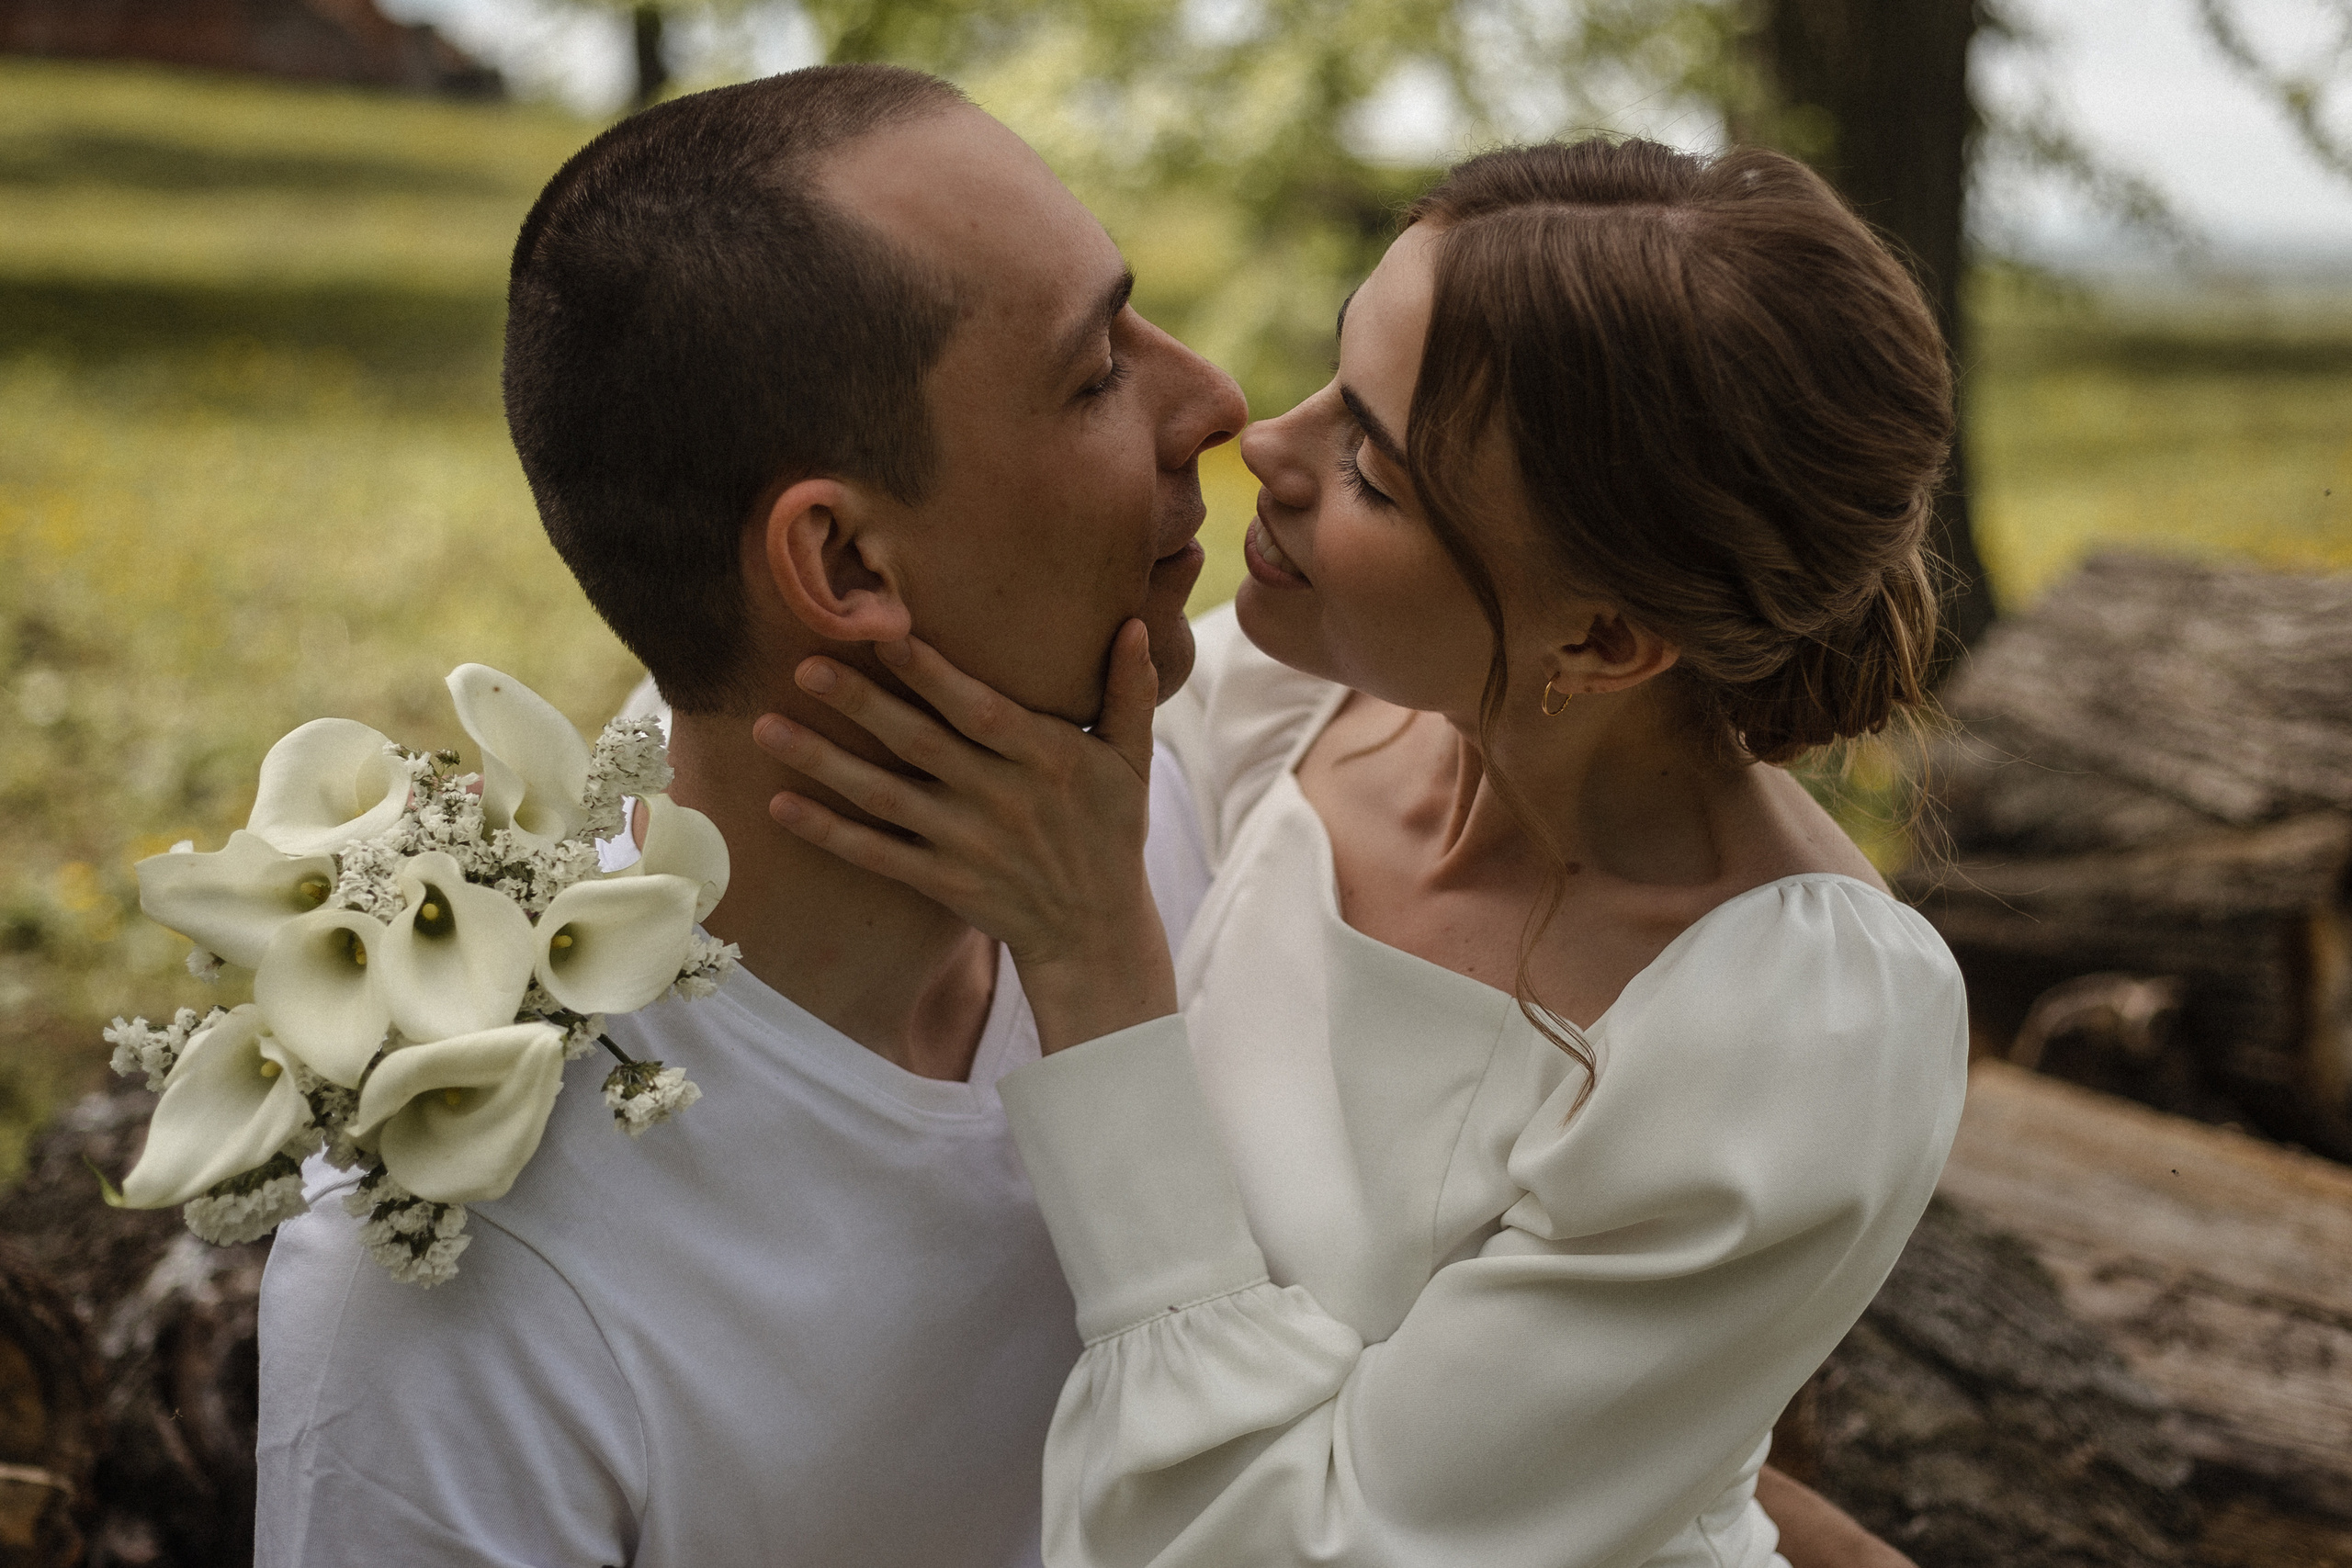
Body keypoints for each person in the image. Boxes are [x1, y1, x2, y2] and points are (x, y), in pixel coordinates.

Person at [255, 62, 1910, 1568]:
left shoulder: (1206, 774)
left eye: (1384, 465)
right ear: (842, 567)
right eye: (1097, 370)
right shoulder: (462, 1285)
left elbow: (1519, 1414)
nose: (1228, 415)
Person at [752, 136, 1970, 1566]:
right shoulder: (1293, 705)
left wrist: (1096, 970)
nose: (1263, 442)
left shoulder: (1788, 1025)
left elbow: (1326, 1546)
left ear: (1603, 637)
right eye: (1335, 374)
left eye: (1376, 471)